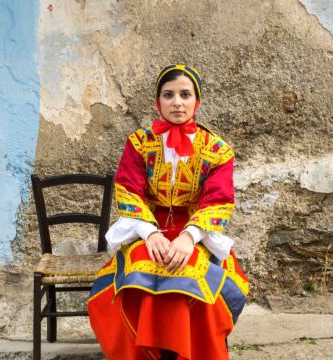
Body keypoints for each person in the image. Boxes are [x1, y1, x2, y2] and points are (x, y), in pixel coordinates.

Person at [88, 64, 249, 360]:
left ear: (196, 101)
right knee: (139, 271)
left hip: (197, 232)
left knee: (194, 273)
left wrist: (189, 238)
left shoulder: (218, 150)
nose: (177, 102)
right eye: (169, 94)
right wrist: (150, 234)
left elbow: (218, 200)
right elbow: (128, 190)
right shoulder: (139, 143)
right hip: (146, 227)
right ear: (158, 101)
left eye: (185, 94)